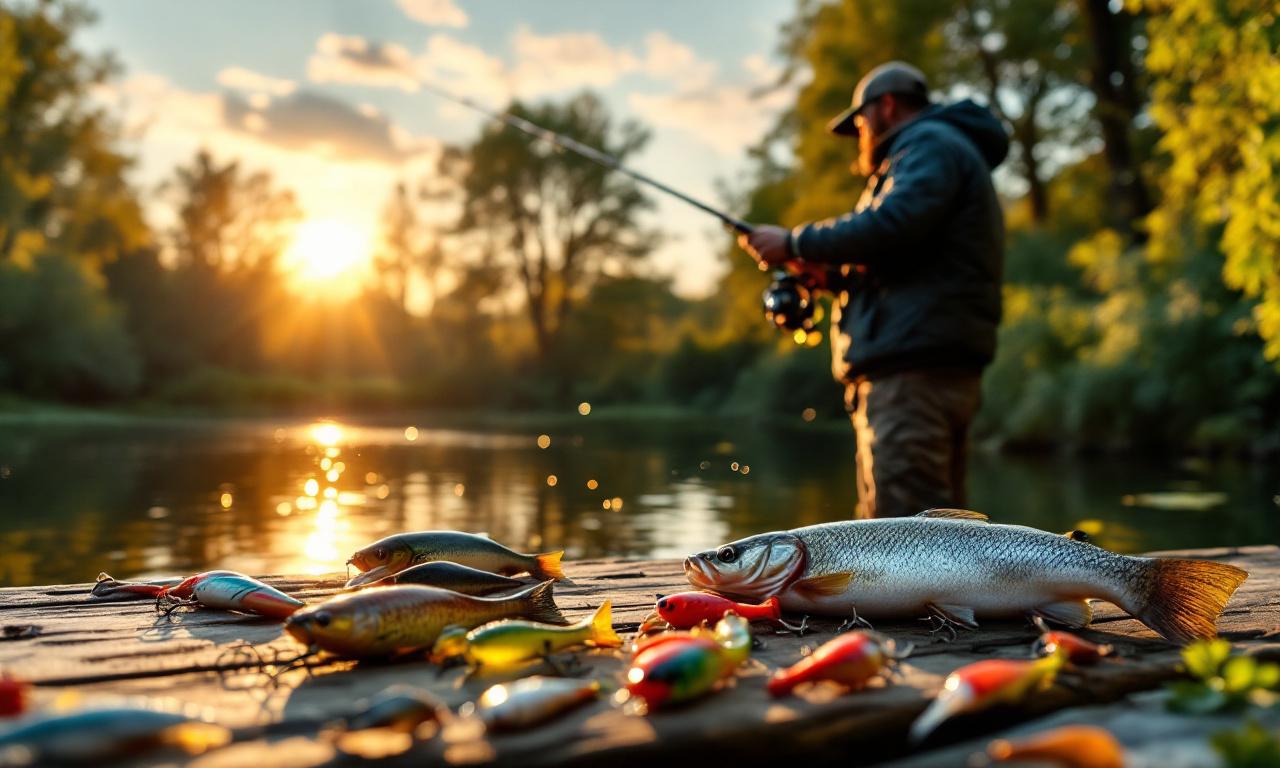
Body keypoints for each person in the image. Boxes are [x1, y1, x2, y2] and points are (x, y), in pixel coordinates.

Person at [739, 61, 1009, 519]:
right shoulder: (937, 151)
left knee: (906, 536)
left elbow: (892, 225)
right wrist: (831, 277)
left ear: (886, 105)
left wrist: (793, 241)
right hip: (925, 366)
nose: (859, 133)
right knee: (934, 530)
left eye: (860, 121)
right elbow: (904, 253)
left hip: (911, 376)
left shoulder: (928, 145)